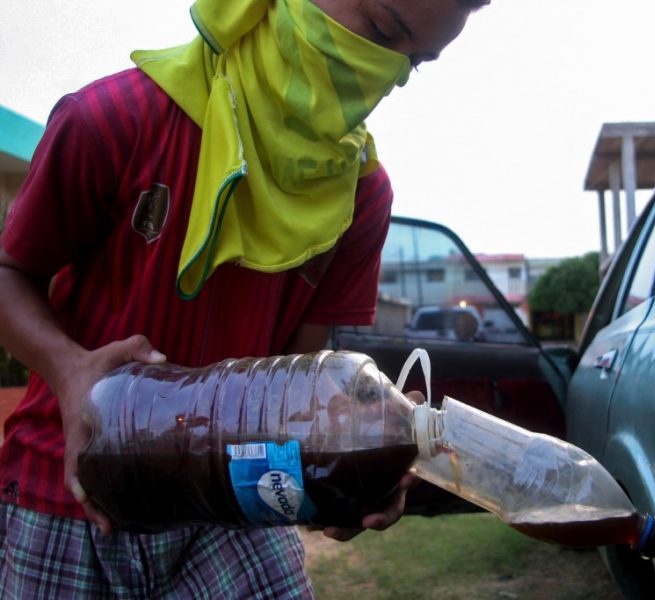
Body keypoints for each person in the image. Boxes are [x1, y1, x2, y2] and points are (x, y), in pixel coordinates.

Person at [0, 0, 487, 596]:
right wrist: (71, 371)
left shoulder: (359, 194)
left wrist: (356, 462)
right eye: (383, 32)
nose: (388, 74)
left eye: (414, 62)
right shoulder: (115, 119)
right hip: (72, 485)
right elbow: (9, 272)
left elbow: (298, 388)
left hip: (232, 497)